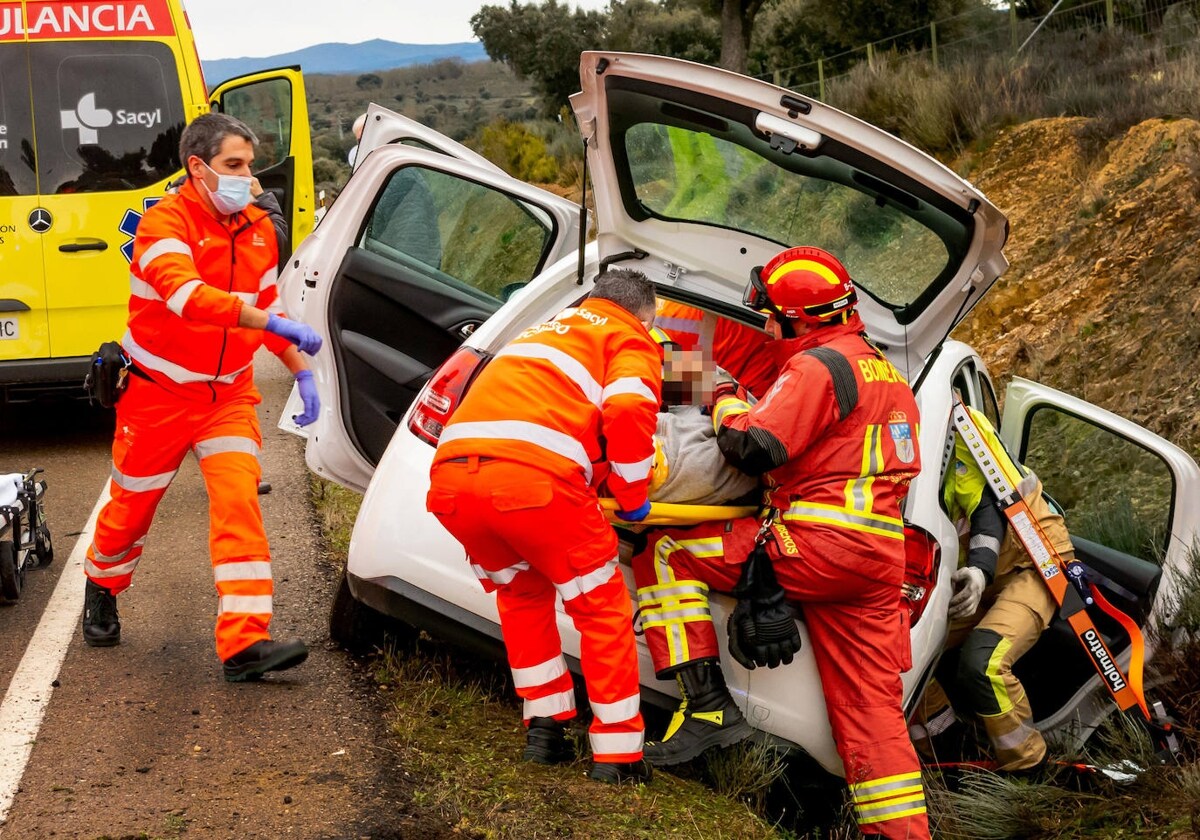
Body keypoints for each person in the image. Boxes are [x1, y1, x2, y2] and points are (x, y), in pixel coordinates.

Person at [631, 246, 930, 839]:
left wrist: (723, 399)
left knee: (663, 550)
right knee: (872, 714)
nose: (764, 325)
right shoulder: (888, 377)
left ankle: (709, 706)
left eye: (769, 315)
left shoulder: (819, 366)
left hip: (816, 543)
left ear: (798, 319)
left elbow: (755, 448)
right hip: (876, 563)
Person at [80, 113, 324, 684]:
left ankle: (245, 644)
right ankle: (102, 585)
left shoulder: (259, 229)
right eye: (233, 166)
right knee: (130, 509)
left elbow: (271, 310)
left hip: (227, 396)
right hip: (156, 396)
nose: (248, 179)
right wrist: (274, 323)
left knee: (239, 502)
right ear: (198, 167)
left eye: (249, 166)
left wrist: (300, 370)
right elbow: (187, 297)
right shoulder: (163, 223)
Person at [426, 268, 661, 785]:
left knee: (522, 598)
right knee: (601, 611)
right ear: (645, 316)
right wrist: (633, 495)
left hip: (452, 486)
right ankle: (618, 757)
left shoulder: (543, 328)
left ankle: (546, 731)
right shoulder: (629, 338)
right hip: (533, 486)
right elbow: (628, 408)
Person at [910, 403, 1069, 773]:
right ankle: (948, 754)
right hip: (977, 573)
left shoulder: (954, 426)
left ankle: (1030, 768)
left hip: (1035, 558)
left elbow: (987, 510)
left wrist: (979, 571)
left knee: (985, 662)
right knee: (905, 653)